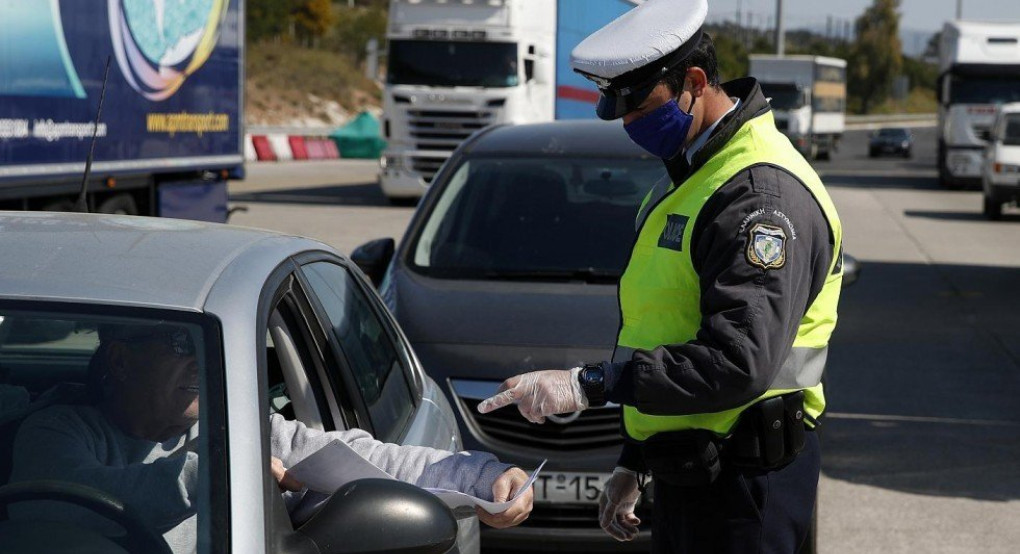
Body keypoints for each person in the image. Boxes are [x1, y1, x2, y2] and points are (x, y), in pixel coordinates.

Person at [476, 0, 844, 552]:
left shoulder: (756, 198)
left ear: (694, 82)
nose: (628, 123)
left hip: (745, 493)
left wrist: (586, 385)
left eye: (639, 105)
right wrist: (637, 459)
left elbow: (737, 361)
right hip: (695, 476)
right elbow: (668, 327)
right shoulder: (695, 173)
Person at [10, 323, 532, 553]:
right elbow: (56, 508)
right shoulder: (58, 429)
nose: (202, 360)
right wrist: (219, 469)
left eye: (204, 343)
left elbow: (370, 459)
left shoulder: (237, 423)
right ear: (121, 360)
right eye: (179, 342)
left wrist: (486, 477)